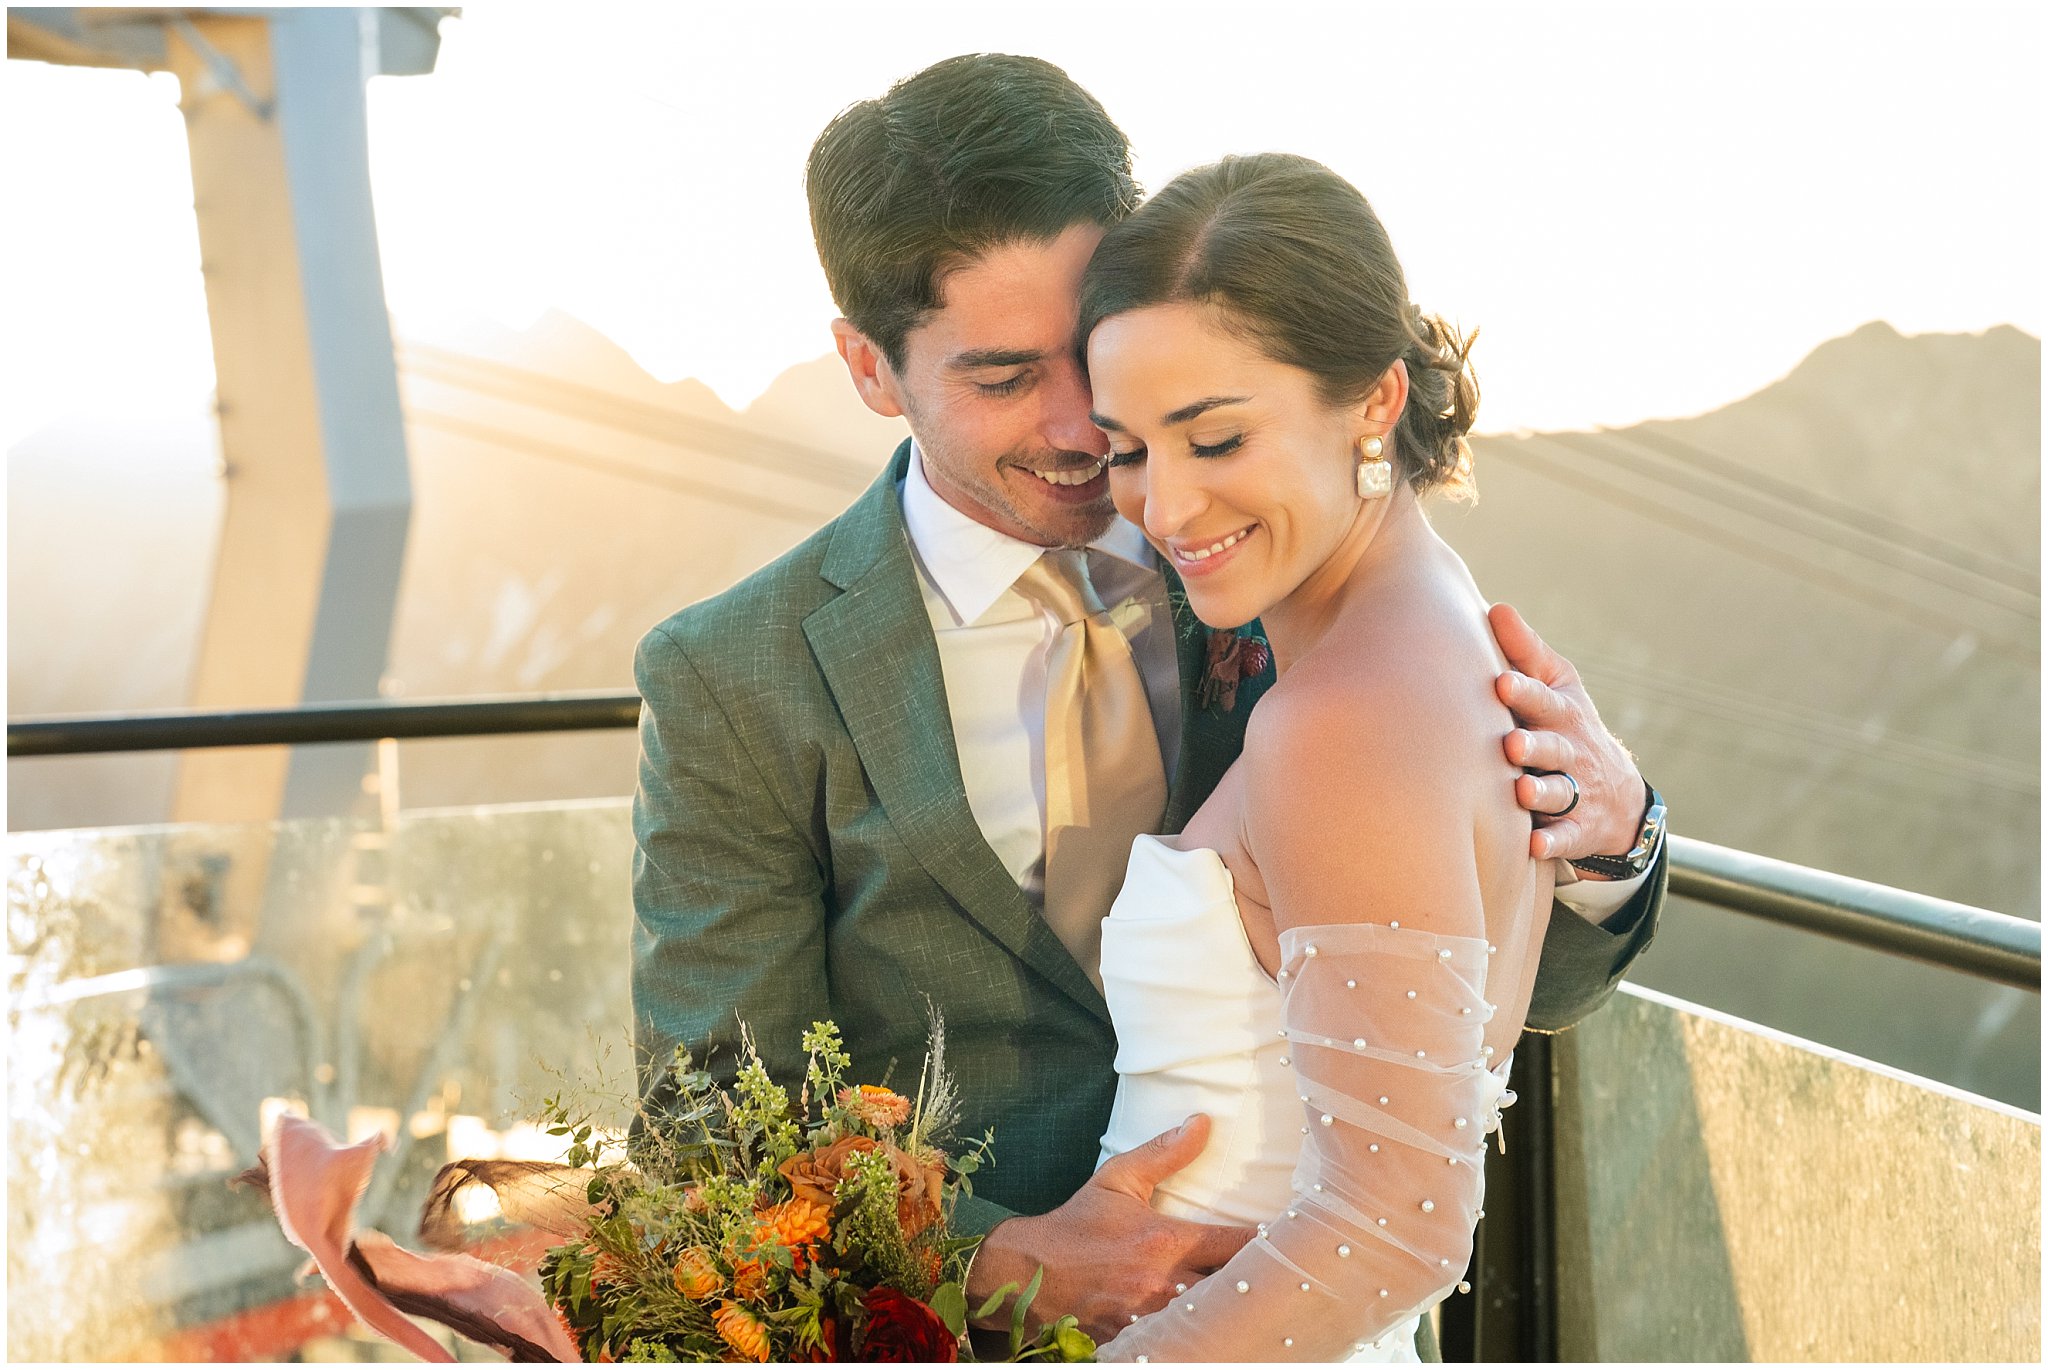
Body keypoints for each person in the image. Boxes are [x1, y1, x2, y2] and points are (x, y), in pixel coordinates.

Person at [629, 53, 1668, 1353]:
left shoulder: (1279, 552)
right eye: (1006, 376)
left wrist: (1612, 844)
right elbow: (707, 1134)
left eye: (1094, 352)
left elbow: (1487, 987)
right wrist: (998, 1258)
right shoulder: (737, 675)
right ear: (868, 367)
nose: (1085, 428)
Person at [1079, 150, 1571, 1363]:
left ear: (1372, 401)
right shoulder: (1428, 629)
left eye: (1215, 437)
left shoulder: (1337, 719)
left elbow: (1398, 1223)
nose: (1166, 507)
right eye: (1129, 448)